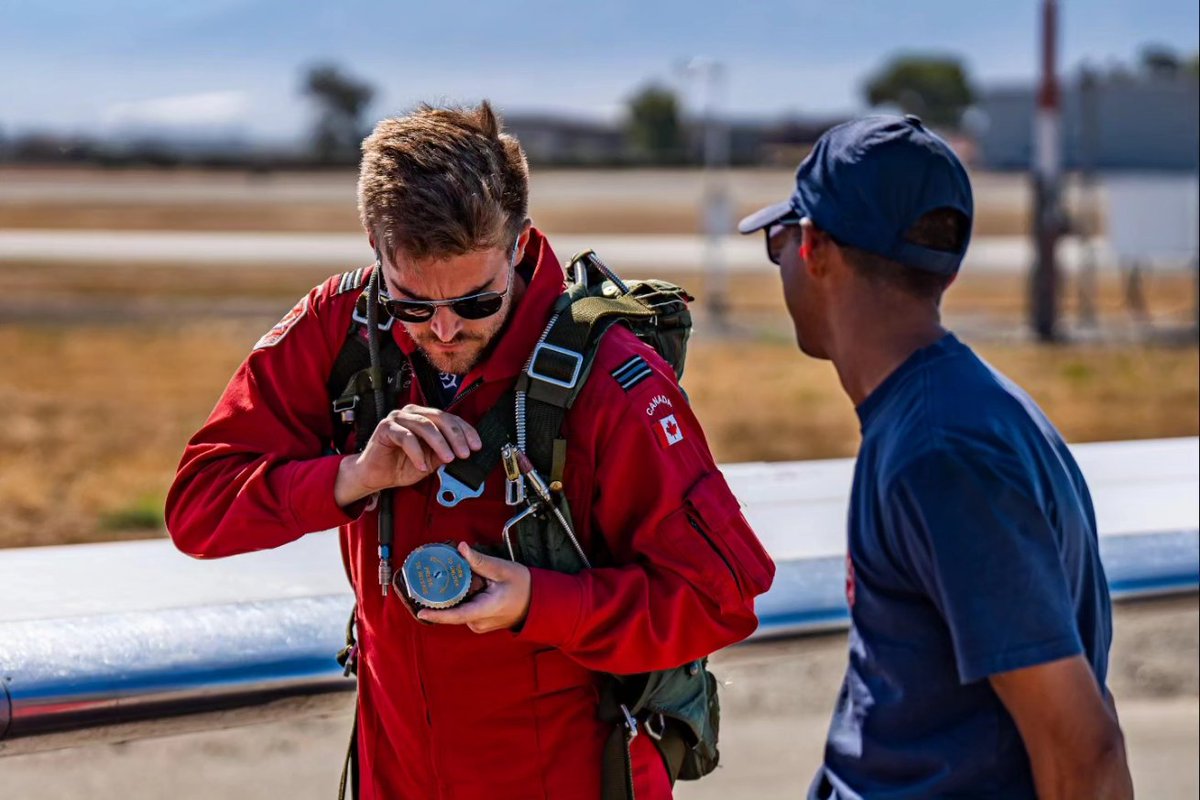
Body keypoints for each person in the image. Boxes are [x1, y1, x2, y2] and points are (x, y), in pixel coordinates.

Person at [166, 102, 774, 800]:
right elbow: (198, 509)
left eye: (478, 303)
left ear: (519, 244)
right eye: (413, 304)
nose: (445, 330)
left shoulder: (611, 379)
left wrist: (540, 604)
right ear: (374, 243)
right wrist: (352, 476)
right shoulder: (342, 327)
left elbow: (720, 598)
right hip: (396, 773)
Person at [738, 115, 1134, 800]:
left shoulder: (941, 453)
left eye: (781, 239)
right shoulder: (957, 411)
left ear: (817, 249)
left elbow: (1084, 749)